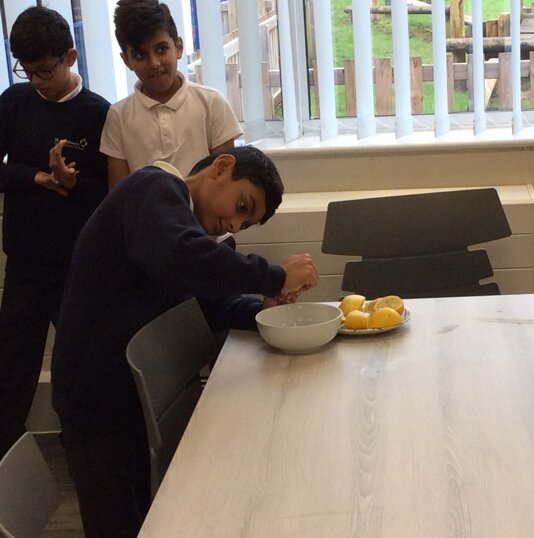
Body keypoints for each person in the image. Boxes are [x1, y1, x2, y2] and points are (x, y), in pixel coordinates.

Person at [51, 145, 318, 537]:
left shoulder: (179, 224)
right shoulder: (153, 187)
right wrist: (274, 276)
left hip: (125, 393)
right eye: (242, 206)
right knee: (114, 520)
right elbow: (179, 256)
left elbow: (203, 306)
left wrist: (264, 313)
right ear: (221, 166)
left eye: (244, 224)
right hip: (93, 395)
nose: (233, 224)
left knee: (137, 514)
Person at [0, 6, 110, 457]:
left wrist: (71, 183)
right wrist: (34, 177)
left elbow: (109, 195)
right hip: (24, 264)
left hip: (76, 267)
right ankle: (7, 463)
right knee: (10, 371)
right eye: (27, 71)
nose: (37, 81)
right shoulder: (14, 102)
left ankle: (83, 453)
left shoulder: (99, 114)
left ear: (70, 57)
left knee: (81, 369)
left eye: (45, 71)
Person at [101, 0, 242, 189]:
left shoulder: (211, 103)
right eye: (140, 55)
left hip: (202, 209)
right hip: (145, 209)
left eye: (161, 49)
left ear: (178, 47)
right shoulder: (118, 117)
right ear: (126, 60)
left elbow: (224, 185)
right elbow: (119, 194)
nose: (154, 63)